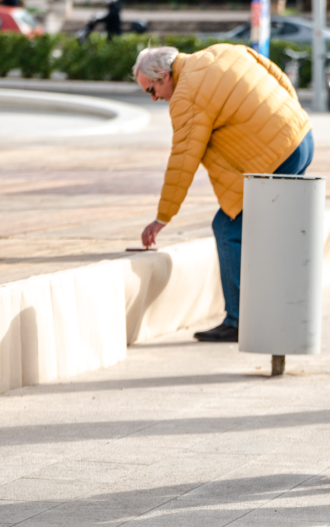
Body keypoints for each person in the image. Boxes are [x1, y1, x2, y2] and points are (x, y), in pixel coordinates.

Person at [133, 44, 314, 342]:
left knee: (227, 227)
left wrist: (162, 217)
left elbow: (183, 160)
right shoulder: (223, 51)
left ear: (164, 76)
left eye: (151, 90)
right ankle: (272, 309)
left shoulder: (186, 95)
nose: (154, 98)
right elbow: (278, 77)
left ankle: (239, 321)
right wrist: (292, 122)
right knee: (266, 228)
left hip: (277, 156)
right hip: (302, 137)